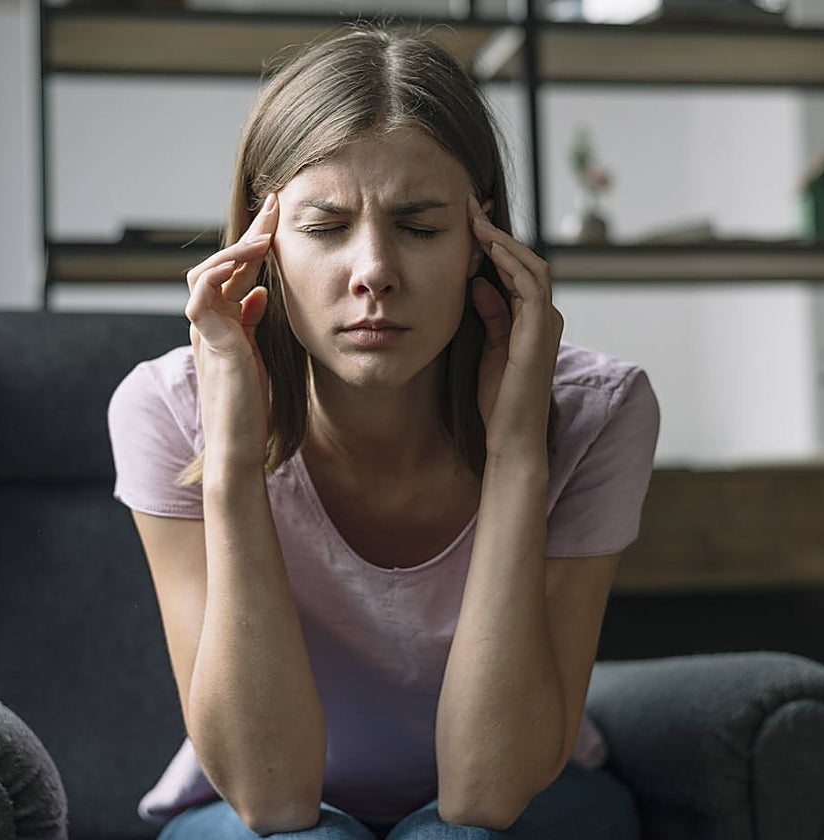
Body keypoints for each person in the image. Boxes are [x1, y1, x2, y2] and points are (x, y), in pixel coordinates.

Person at [108, 25, 659, 840]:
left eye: (422, 226)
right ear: (263, 248)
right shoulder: (165, 408)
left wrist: (515, 454)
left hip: (529, 802)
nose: (374, 271)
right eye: (326, 228)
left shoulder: (596, 411)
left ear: (487, 245)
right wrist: (229, 458)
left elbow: (486, 795)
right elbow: (271, 801)